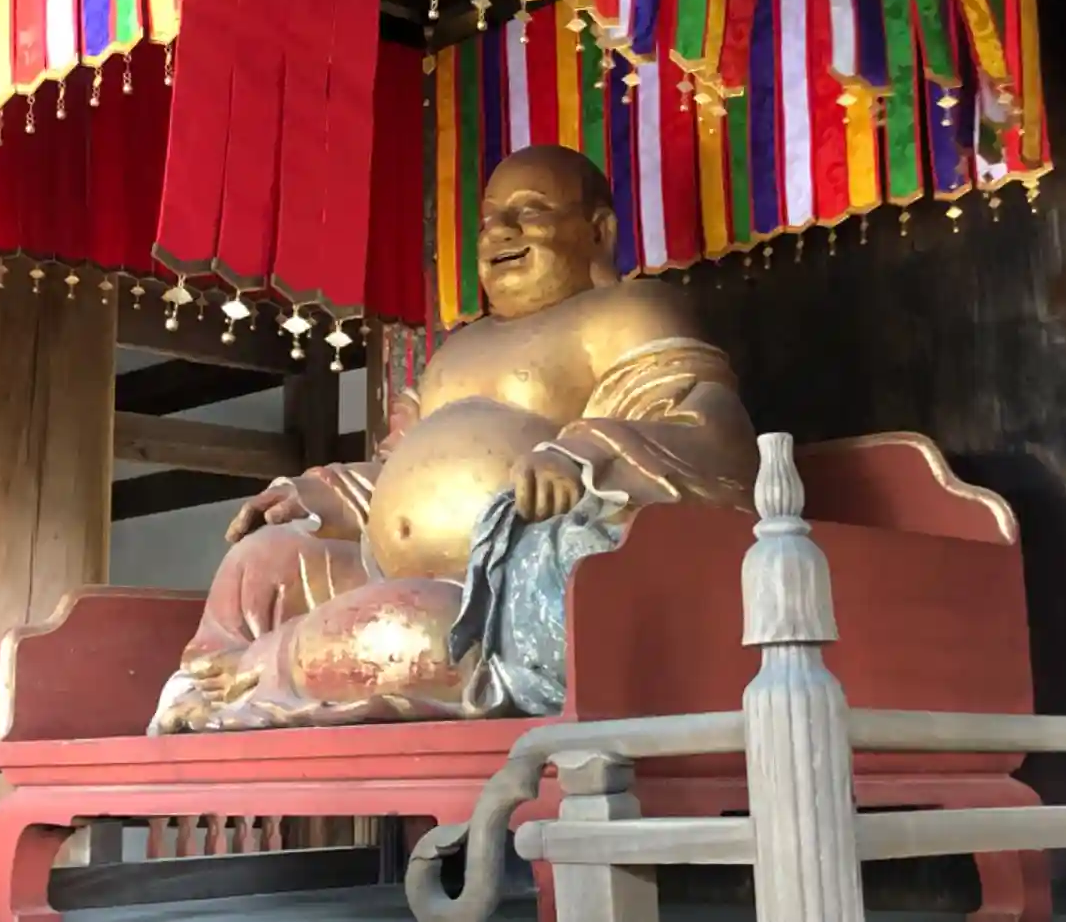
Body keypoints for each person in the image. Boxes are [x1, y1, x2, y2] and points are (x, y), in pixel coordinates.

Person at [151, 144, 758, 732]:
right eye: (490, 219)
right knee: (262, 561)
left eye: (531, 211)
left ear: (598, 232)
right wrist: (322, 494)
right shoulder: (457, 348)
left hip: (492, 592)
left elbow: (705, 426)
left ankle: (260, 675)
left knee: (414, 627)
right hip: (385, 568)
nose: (500, 232)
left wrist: (583, 456)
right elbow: (401, 470)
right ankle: (207, 684)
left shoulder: (626, 312)